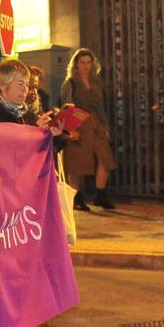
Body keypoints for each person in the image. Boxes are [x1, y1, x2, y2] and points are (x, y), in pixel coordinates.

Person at [0, 58, 63, 327]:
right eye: (20, 84)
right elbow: (5, 148)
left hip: (19, 199)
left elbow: (31, 150)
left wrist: (48, 134)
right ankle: (14, 324)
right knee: (7, 263)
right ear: (3, 86)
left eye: (27, 85)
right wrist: (32, 133)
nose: (25, 90)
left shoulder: (20, 113)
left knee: (20, 261)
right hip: (4, 202)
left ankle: (19, 320)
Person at [61, 48, 117, 211]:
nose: (86, 66)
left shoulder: (96, 83)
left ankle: (100, 195)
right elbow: (67, 107)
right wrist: (70, 130)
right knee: (78, 163)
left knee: (105, 159)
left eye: (88, 62)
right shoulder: (70, 83)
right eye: (82, 63)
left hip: (96, 123)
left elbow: (100, 107)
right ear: (76, 65)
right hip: (79, 124)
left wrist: (105, 126)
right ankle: (76, 198)